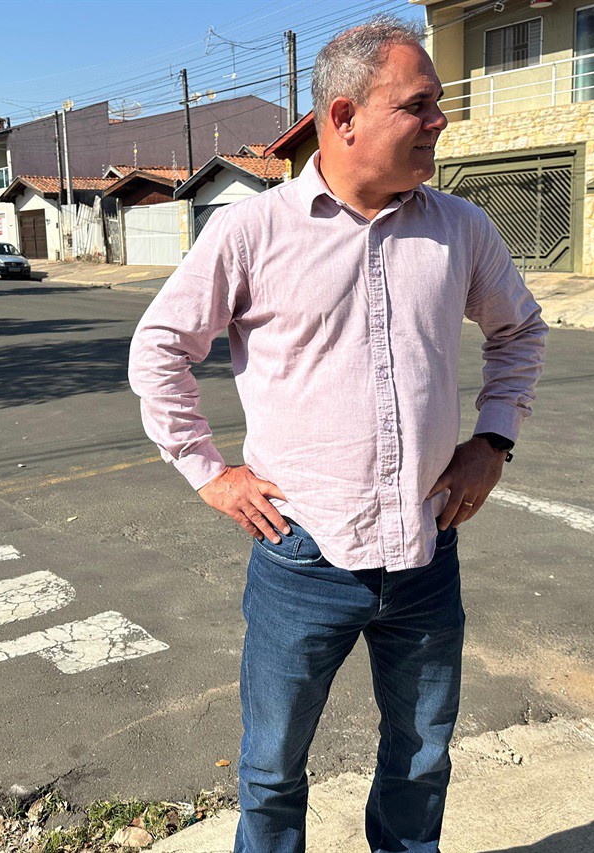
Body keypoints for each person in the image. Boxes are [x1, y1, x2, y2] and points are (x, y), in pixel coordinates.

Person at [128, 16, 547, 853]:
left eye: (437, 104)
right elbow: (160, 349)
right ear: (345, 116)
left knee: (421, 760)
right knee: (272, 769)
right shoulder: (252, 231)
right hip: (302, 556)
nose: (439, 120)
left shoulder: (460, 228)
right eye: (418, 104)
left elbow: (521, 332)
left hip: (426, 552)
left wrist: (492, 441)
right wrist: (209, 471)